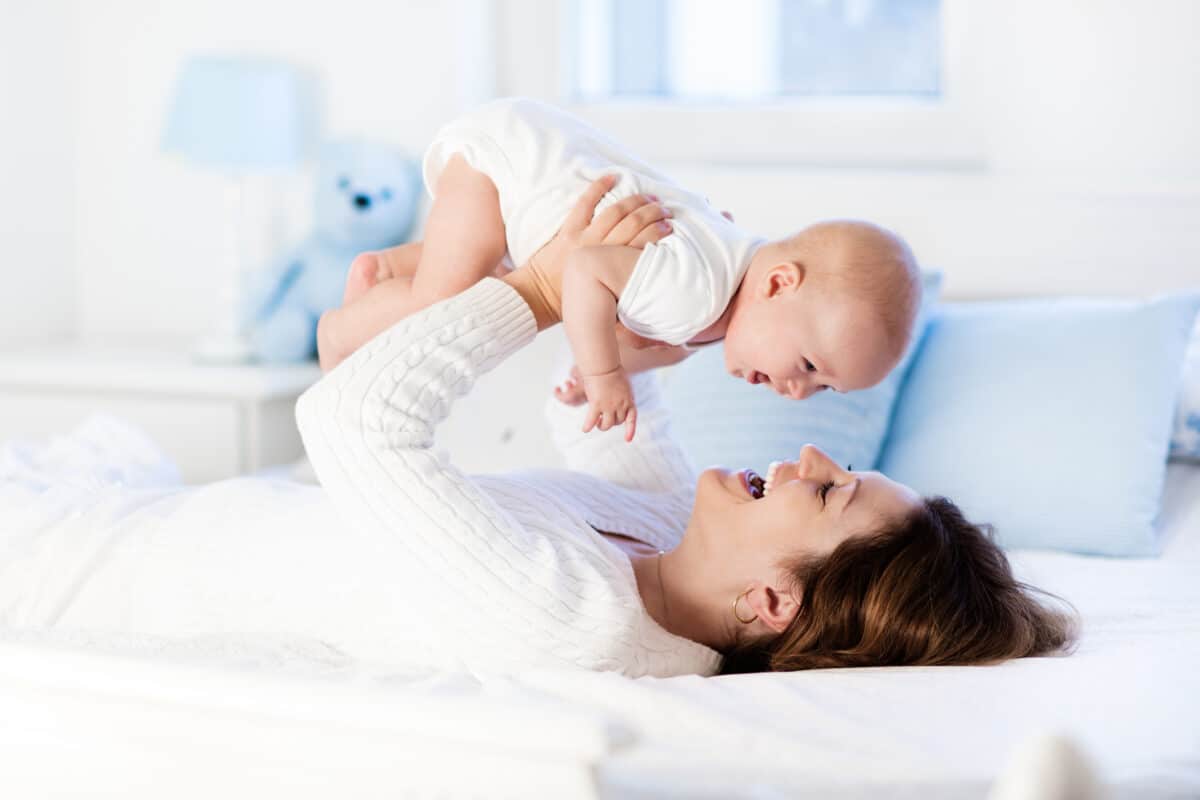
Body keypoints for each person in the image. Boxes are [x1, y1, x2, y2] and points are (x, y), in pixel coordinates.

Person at [0, 183, 1073, 678]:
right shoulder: (670, 551)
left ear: (773, 600)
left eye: (831, 489)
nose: (809, 450)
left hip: (64, 568)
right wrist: (637, 339)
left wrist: (544, 286)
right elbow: (616, 434)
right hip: (139, 516)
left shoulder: (577, 622)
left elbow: (350, 418)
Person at [316, 98, 922, 441]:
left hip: (528, 162)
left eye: (820, 388)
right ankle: (341, 332)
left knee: (485, 272)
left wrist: (596, 364)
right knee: (446, 310)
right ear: (779, 282)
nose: (797, 391)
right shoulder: (698, 291)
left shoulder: (718, 293)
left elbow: (635, 329)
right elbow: (584, 271)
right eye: (811, 367)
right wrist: (606, 375)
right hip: (502, 165)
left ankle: (387, 269)